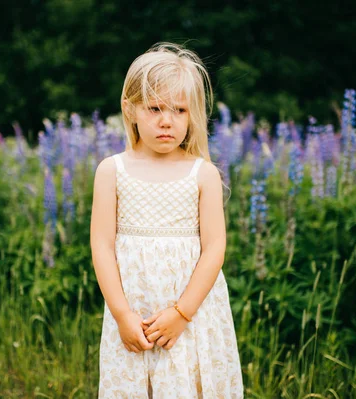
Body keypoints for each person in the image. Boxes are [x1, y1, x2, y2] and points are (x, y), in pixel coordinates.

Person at [90, 42, 243, 398]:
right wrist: (122, 315)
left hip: (192, 316)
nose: (166, 120)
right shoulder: (112, 171)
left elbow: (214, 249)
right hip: (133, 314)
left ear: (193, 115)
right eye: (155, 108)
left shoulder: (202, 173)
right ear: (130, 110)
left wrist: (181, 314)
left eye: (179, 110)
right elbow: (101, 245)